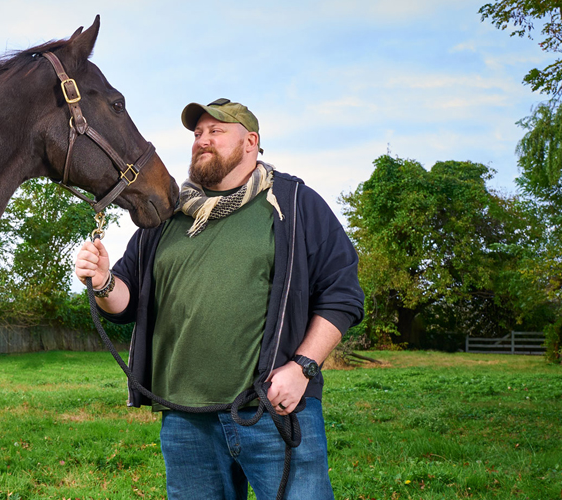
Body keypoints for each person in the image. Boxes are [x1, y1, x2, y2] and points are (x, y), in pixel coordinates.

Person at [74, 98, 364, 499]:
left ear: (250, 142)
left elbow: (342, 294)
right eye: (197, 133)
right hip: (186, 419)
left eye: (216, 131)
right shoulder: (167, 214)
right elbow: (125, 302)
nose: (202, 140)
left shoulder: (295, 204)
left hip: (273, 407)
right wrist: (103, 280)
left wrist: (302, 368)